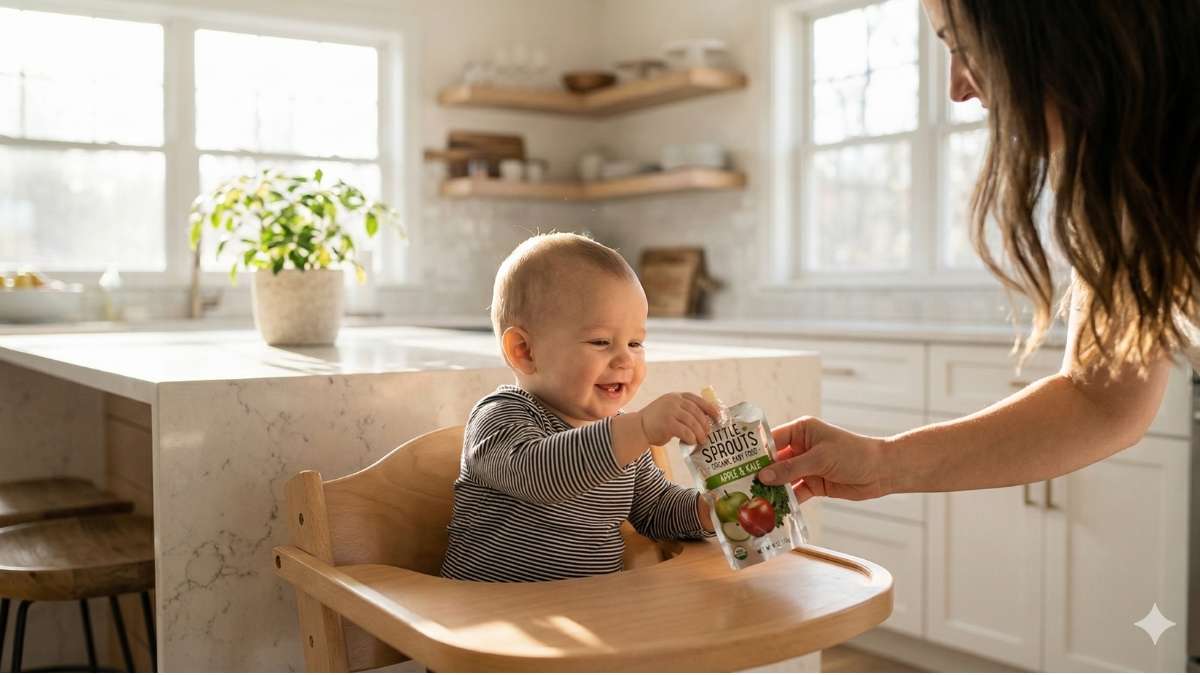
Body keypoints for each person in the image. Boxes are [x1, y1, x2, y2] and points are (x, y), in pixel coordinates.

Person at [759, 0, 1200, 501]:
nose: (957, 88)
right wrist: (881, 464)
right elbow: (1100, 401)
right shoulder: (1128, 190)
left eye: (963, 47)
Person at [440, 233, 718, 583]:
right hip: (489, 616)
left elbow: (657, 510)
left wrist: (713, 508)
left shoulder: (624, 439)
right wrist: (641, 428)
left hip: (589, 614)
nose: (625, 359)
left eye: (636, 343)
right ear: (524, 351)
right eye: (601, 341)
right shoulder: (499, 416)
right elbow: (540, 475)